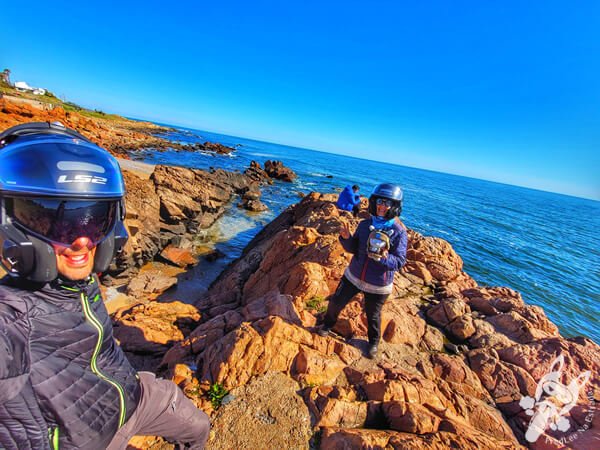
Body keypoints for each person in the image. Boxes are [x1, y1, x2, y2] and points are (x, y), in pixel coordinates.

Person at [0, 122, 210, 450]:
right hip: (90, 441)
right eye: (50, 218)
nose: (82, 240)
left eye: (95, 218)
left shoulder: (83, 281)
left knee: (197, 427)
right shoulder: (10, 317)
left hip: (133, 395)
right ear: (13, 226)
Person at [320, 183, 408, 359]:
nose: (382, 207)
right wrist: (346, 238)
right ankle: (326, 326)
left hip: (378, 284)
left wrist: (384, 258)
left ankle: (373, 343)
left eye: (387, 203)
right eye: (379, 202)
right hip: (354, 275)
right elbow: (354, 248)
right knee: (336, 302)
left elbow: (399, 261)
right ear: (374, 202)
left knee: (373, 316)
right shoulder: (364, 224)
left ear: (394, 207)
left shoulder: (398, 232)